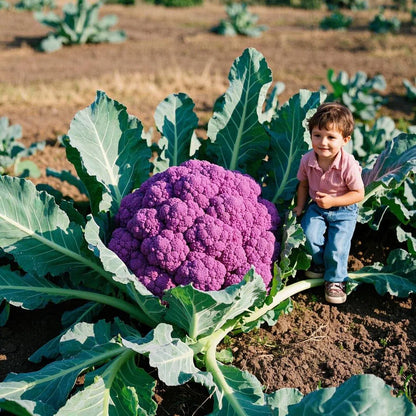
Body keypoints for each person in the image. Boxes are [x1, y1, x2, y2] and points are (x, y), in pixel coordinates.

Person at [294, 102, 365, 304]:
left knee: (338, 247)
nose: (323, 142)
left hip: (344, 210)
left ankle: (335, 280)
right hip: (317, 207)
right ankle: (319, 265)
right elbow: (303, 186)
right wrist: (300, 206)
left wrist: (334, 200)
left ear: (345, 140)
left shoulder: (347, 164)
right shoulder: (307, 160)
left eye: (331, 137)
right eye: (317, 135)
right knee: (308, 234)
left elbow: (358, 193)